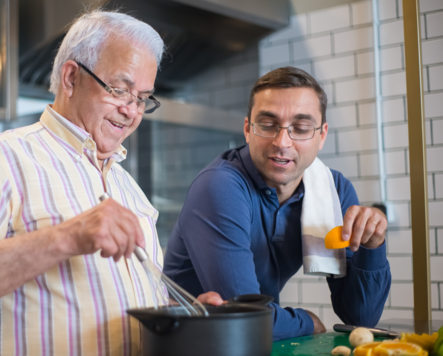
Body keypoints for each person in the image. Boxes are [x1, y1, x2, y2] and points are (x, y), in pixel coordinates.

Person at [0, 10, 221, 356]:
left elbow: (135, 298)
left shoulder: (125, 183)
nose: (132, 111)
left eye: (142, 99)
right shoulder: (2, 157)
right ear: (72, 78)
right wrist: (66, 237)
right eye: (120, 90)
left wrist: (186, 315)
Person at [163, 66, 391, 341]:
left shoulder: (333, 191)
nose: (282, 142)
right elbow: (245, 317)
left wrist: (373, 244)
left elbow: (360, 318)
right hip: (186, 343)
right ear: (248, 129)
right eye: (268, 125)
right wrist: (308, 321)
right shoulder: (220, 187)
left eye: (301, 128)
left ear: (321, 135)